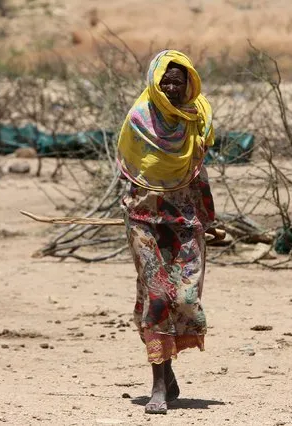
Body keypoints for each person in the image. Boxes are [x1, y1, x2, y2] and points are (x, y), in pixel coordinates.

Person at [116, 50, 216, 415]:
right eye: (166, 80)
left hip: (186, 220)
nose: (172, 87)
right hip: (144, 218)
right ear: (155, 82)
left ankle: (169, 370)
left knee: (186, 297)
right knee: (158, 294)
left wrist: (210, 217)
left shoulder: (197, 118)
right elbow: (129, 170)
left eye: (179, 80)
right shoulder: (139, 119)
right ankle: (158, 384)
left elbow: (199, 173)